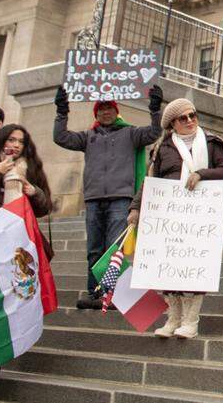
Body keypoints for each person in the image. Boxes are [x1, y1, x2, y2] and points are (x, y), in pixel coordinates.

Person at [128, 98, 223, 340]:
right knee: (167, 267)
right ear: (172, 124)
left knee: (194, 267)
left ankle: (190, 321)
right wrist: (136, 208)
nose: (190, 121)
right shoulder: (162, 148)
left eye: (192, 115)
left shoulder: (212, 143)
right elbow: (149, 181)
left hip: (198, 216)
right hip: (168, 215)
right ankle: (173, 318)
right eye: (183, 118)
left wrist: (201, 173)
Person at [53, 85, 163, 309]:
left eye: (109, 108)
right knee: (94, 249)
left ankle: (110, 294)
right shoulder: (88, 137)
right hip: (94, 199)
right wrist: (62, 111)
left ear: (116, 111)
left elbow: (154, 132)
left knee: (114, 248)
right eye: (101, 109)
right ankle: (95, 293)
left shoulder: (131, 133)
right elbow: (61, 137)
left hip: (120, 199)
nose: (106, 112)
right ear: (96, 113)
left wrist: (155, 109)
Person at [0, 124, 52, 220]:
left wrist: (34, 193)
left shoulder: (32, 166)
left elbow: (44, 210)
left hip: (17, 227)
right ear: (1, 141)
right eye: (11, 140)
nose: (16, 145)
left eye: (21, 142)